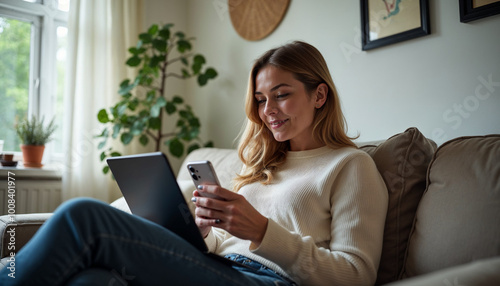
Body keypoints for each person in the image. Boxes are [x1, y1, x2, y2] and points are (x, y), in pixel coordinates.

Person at [0, 41, 388, 286]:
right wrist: (199, 231)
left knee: (83, 215)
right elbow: (224, 243)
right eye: (260, 99)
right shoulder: (260, 164)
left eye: (281, 95)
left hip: (267, 281)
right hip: (220, 267)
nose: (268, 110)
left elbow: (357, 275)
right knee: (90, 279)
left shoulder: (351, 166)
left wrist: (264, 232)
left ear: (319, 95)